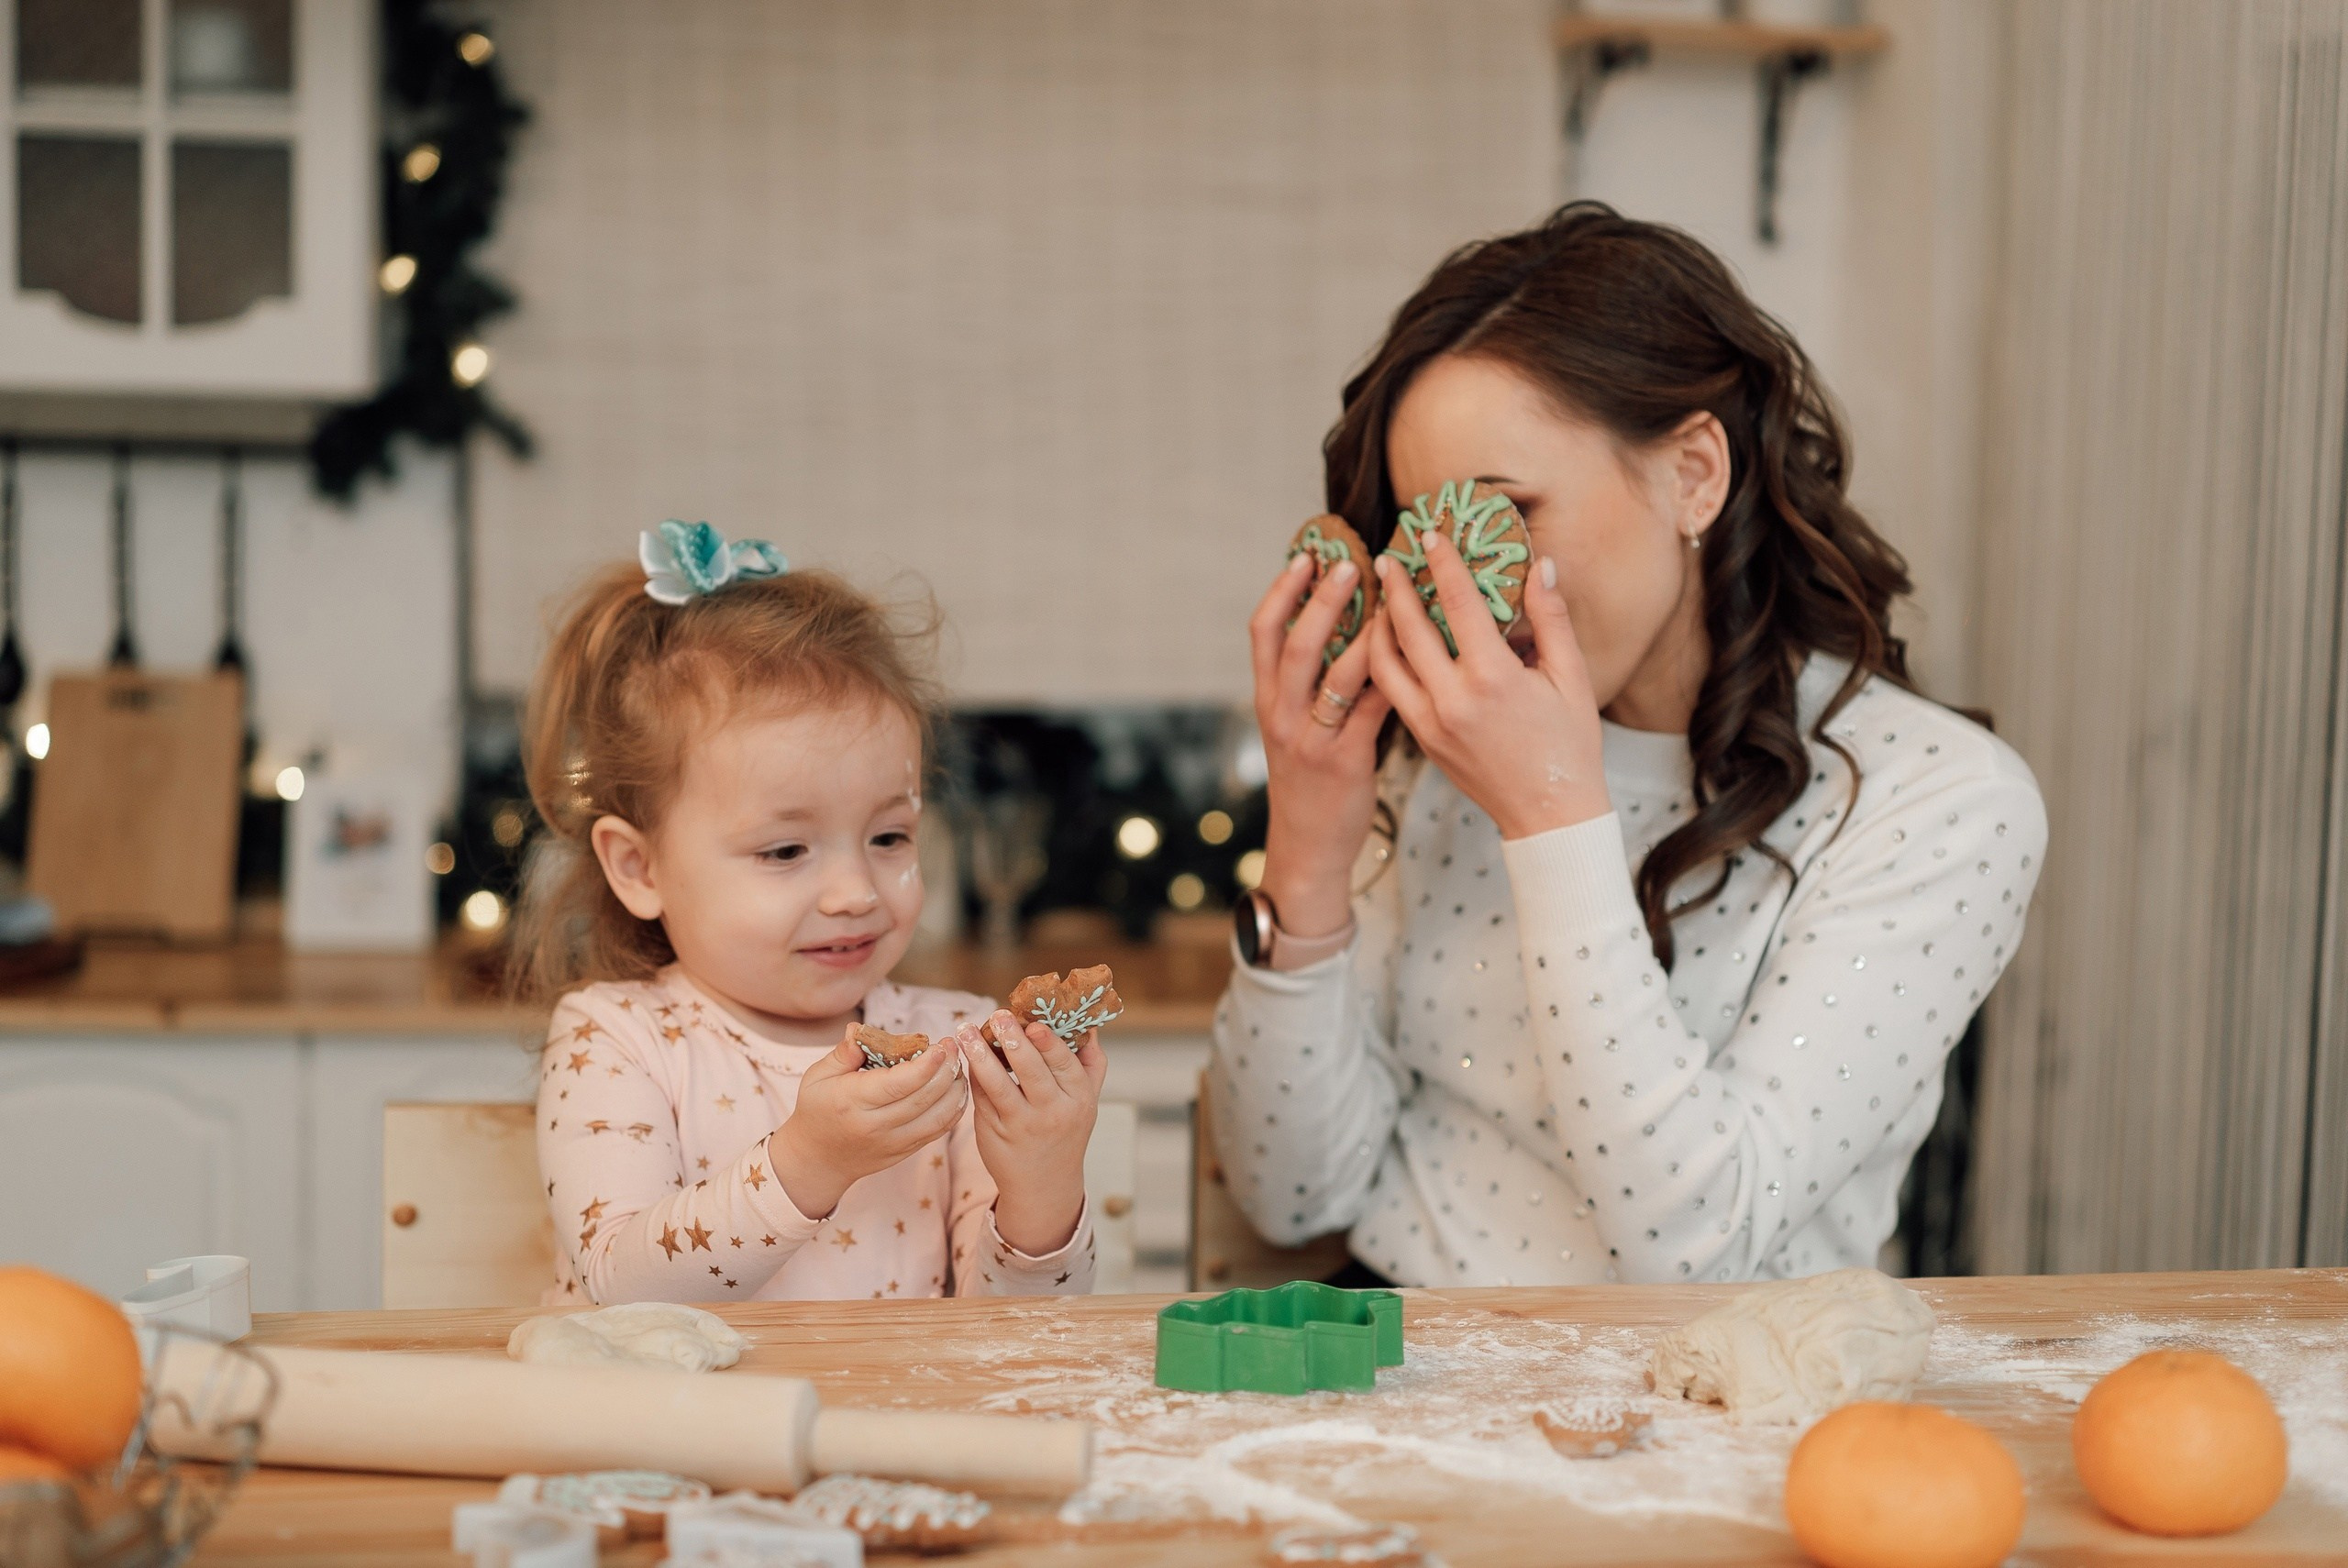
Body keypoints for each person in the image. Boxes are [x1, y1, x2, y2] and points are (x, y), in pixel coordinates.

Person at [1215, 203, 2046, 1286]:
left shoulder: (1938, 802)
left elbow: (1695, 1254)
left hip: (1714, 1413)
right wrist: (1311, 848)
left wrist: (1552, 815)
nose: (1459, 594)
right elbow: (1291, 1194)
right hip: (1403, 1373)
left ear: (1694, 473)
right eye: (1424, 536)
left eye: (1502, 516)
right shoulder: (1435, 765)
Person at [514, 524, 1100, 1303]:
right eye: (786, 851)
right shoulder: (617, 1037)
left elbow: (1012, 1340)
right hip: (677, 1427)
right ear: (639, 866)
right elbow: (621, 1289)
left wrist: (1041, 1186)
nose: (855, 892)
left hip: (891, 1427)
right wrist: (808, 1163)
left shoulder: (957, 1047)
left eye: (889, 836)